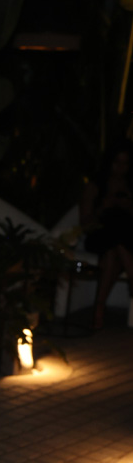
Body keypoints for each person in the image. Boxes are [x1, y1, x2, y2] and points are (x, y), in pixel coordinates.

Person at [81, 140, 133, 329]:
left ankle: (99, 309)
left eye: (125, 163)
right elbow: (85, 223)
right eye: (117, 162)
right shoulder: (96, 186)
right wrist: (103, 207)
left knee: (112, 253)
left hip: (121, 240)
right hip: (98, 235)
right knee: (115, 231)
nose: (121, 168)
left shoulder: (129, 186)